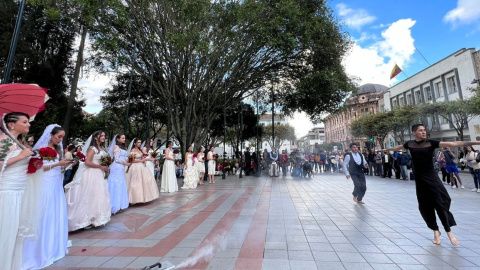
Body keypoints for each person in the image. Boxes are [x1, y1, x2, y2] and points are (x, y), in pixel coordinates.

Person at [385, 124, 480, 246]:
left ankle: (449, 231)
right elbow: (398, 147)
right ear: (414, 132)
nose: (424, 132)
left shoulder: (431, 142)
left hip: (432, 177)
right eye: (420, 130)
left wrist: (475, 143)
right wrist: (386, 150)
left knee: (441, 201)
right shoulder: (410, 144)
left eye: (424, 130)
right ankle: (436, 231)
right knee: (425, 205)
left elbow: (452, 144)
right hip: (419, 179)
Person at [23, 125, 72, 269]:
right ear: (51, 135)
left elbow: (56, 165)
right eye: (59, 137)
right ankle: (39, 245)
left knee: (55, 211)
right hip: (46, 182)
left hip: (56, 182)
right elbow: (38, 168)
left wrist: (64, 165)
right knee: (44, 210)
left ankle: (54, 242)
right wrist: (58, 163)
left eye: (62, 137)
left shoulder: (58, 150)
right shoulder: (40, 149)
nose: (61, 140)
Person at [0, 112, 41, 270]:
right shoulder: (4, 142)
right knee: (6, 232)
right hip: (8, 192)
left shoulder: (18, 142)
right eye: (25, 122)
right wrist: (21, 156)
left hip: (20, 190)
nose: (29, 125)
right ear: (11, 124)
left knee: (16, 234)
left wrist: (33, 162)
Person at [65, 130, 112, 231]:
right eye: (102, 135)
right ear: (95, 137)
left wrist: (105, 166)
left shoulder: (101, 148)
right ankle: (84, 219)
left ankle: (94, 217)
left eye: (104, 135)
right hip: (92, 174)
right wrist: (100, 166)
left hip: (99, 174)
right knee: (89, 195)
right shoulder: (92, 148)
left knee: (97, 195)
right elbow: (87, 162)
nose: (104, 137)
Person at [107, 134, 130, 214]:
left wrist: (129, 160)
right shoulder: (116, 147)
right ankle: (113, 205)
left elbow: (124, 157)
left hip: (121, 168)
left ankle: (120, 205)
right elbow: (116, 159)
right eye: (122, 138)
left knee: (120, 185)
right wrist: (125, 163)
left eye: (124, 138)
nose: (124, 139)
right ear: (118, 139)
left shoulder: (123, 147)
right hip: (116, 167)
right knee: (115, 185)